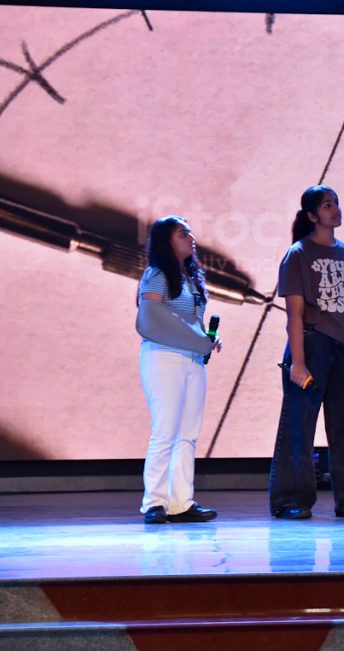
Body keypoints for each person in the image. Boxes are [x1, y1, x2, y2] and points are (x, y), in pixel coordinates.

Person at [269, 185, 344, 520]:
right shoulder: (298, 254)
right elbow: (294, 313)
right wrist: (298, 362)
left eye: (336, 204)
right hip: (312, 344)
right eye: (327, 205)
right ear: (311, 215)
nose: (335, 210)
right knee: (299, 426)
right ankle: (291, 499)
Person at [135, 215, 221, 525]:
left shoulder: (192, 278)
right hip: (164, 357)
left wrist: (207, 339)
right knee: (166, 431)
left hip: (193, 361)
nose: (191, 238)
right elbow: (150, 318)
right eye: (182, 233)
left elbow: (190, 323)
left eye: (190, 233)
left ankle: (180, 503)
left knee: (188, 434)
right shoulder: (157, 274)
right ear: (166, 241)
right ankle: (154, 503)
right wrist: (194, 338)